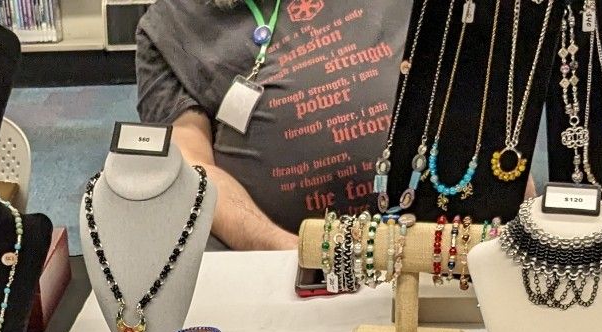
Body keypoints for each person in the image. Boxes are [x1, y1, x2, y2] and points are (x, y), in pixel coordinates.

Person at [136, 0, 412, 250]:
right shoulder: (170, 27)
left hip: (421, 241)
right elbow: (193, 170)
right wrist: (290, 250)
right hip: (269, 262)